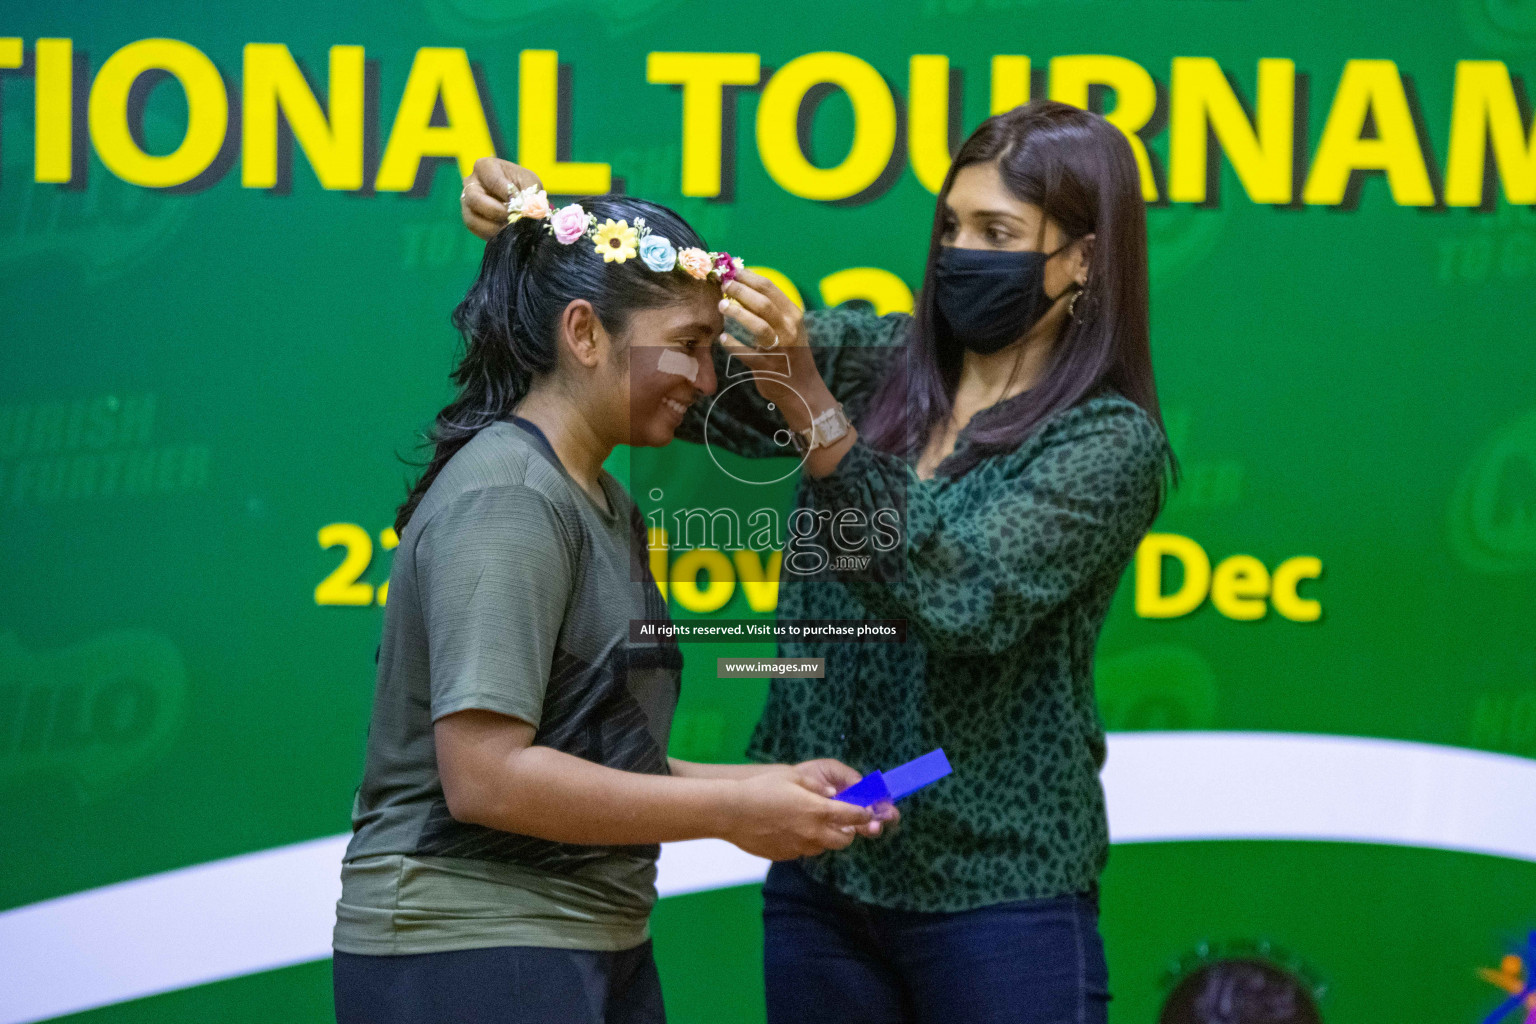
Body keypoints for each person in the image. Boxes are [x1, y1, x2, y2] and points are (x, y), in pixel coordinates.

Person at [460, 99, 1176, 1024]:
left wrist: (822, 420)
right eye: (951, 225)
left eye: (997, 232)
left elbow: (964, 594)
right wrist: (554, 228)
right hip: (822, 877)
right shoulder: (886, 359)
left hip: (1002, 896)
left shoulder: (1108, 443)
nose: (960, 252)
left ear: (1084, 258)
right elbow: (692, 365)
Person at [333, 193, 887, 1024]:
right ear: (585, 333)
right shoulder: (512, 499)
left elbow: (589, 758)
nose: (706, 381)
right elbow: (488, 779)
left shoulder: (603, 501)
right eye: (689, 348)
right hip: (474, 951)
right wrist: (736, 810)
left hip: (587, 941)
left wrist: (767, 786)